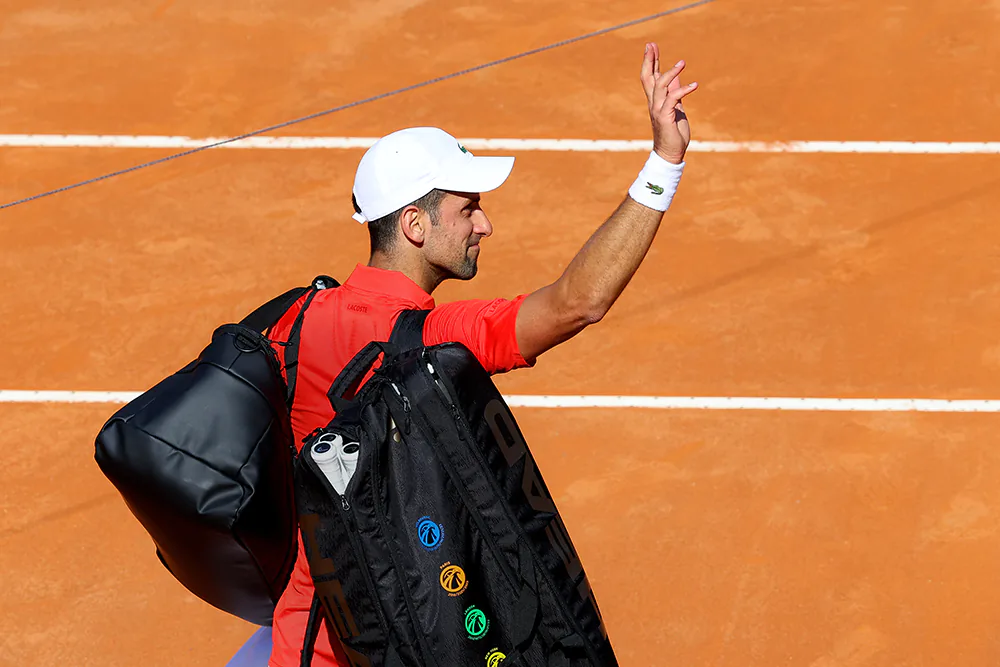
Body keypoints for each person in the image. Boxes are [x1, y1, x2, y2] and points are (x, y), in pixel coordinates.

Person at [265, 42, 697, 667]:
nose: (484, 225)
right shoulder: (438, 339)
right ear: (415, 225)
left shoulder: (290, 324)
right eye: (467, 208)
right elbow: (579, 301)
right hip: (407, 643)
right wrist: (665, 161)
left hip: (302, 645)